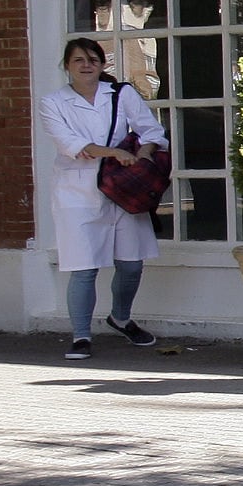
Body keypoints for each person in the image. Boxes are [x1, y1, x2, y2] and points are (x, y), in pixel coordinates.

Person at [41, 36, 166, 359]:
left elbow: (151, 132)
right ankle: (81, 336)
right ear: (67, 66)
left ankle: (120, 318)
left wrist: (143, 153)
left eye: (92, 60)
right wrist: (115, 153)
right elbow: (71, 144)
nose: (86, 66)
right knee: (84, 268)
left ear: (102, 64)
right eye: (78, 60)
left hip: (124, 190)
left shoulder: (122, 94)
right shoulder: (53, 103)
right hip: (77, 192)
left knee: (131, 264)